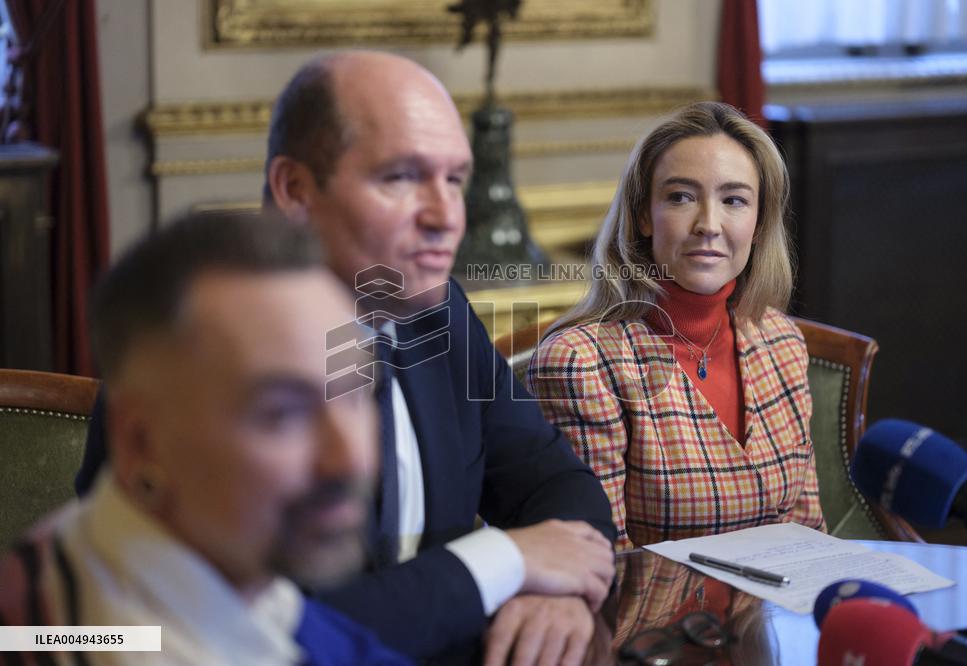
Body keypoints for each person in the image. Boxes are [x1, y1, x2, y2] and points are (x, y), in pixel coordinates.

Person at [74, 52, 616, 664]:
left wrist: (560, 596)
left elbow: (560, 485)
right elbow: (235, 638)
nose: (446, 217)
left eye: (456, 179)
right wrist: (503, 563)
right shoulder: (192, 355)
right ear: (295, 191)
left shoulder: (439, 315)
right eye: (401, 177)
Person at [0, 212, 409, 665]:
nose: (350, 459)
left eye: (356, 396)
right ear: (141, 441)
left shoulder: (219, 577)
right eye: (283, 414)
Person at [526, 101, 826, 552]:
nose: (708, 225)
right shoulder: (581, 363)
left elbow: (809, 534)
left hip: (776, 619)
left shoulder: (782, 341)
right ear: (644, 215)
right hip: (650, 621)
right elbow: (603, 560)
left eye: (734, 200)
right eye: (680, 197)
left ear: (759, 223)